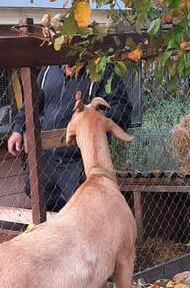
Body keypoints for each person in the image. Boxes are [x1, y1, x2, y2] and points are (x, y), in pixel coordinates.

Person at [8, 64, 133, 211]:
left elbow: (122, 109)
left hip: (79, 161)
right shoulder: (48, 70)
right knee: (35, 191)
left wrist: (95, 119)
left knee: (84, 210)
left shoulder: (101, 70)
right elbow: (31, 104)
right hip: (49, 157)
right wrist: (17, 129)